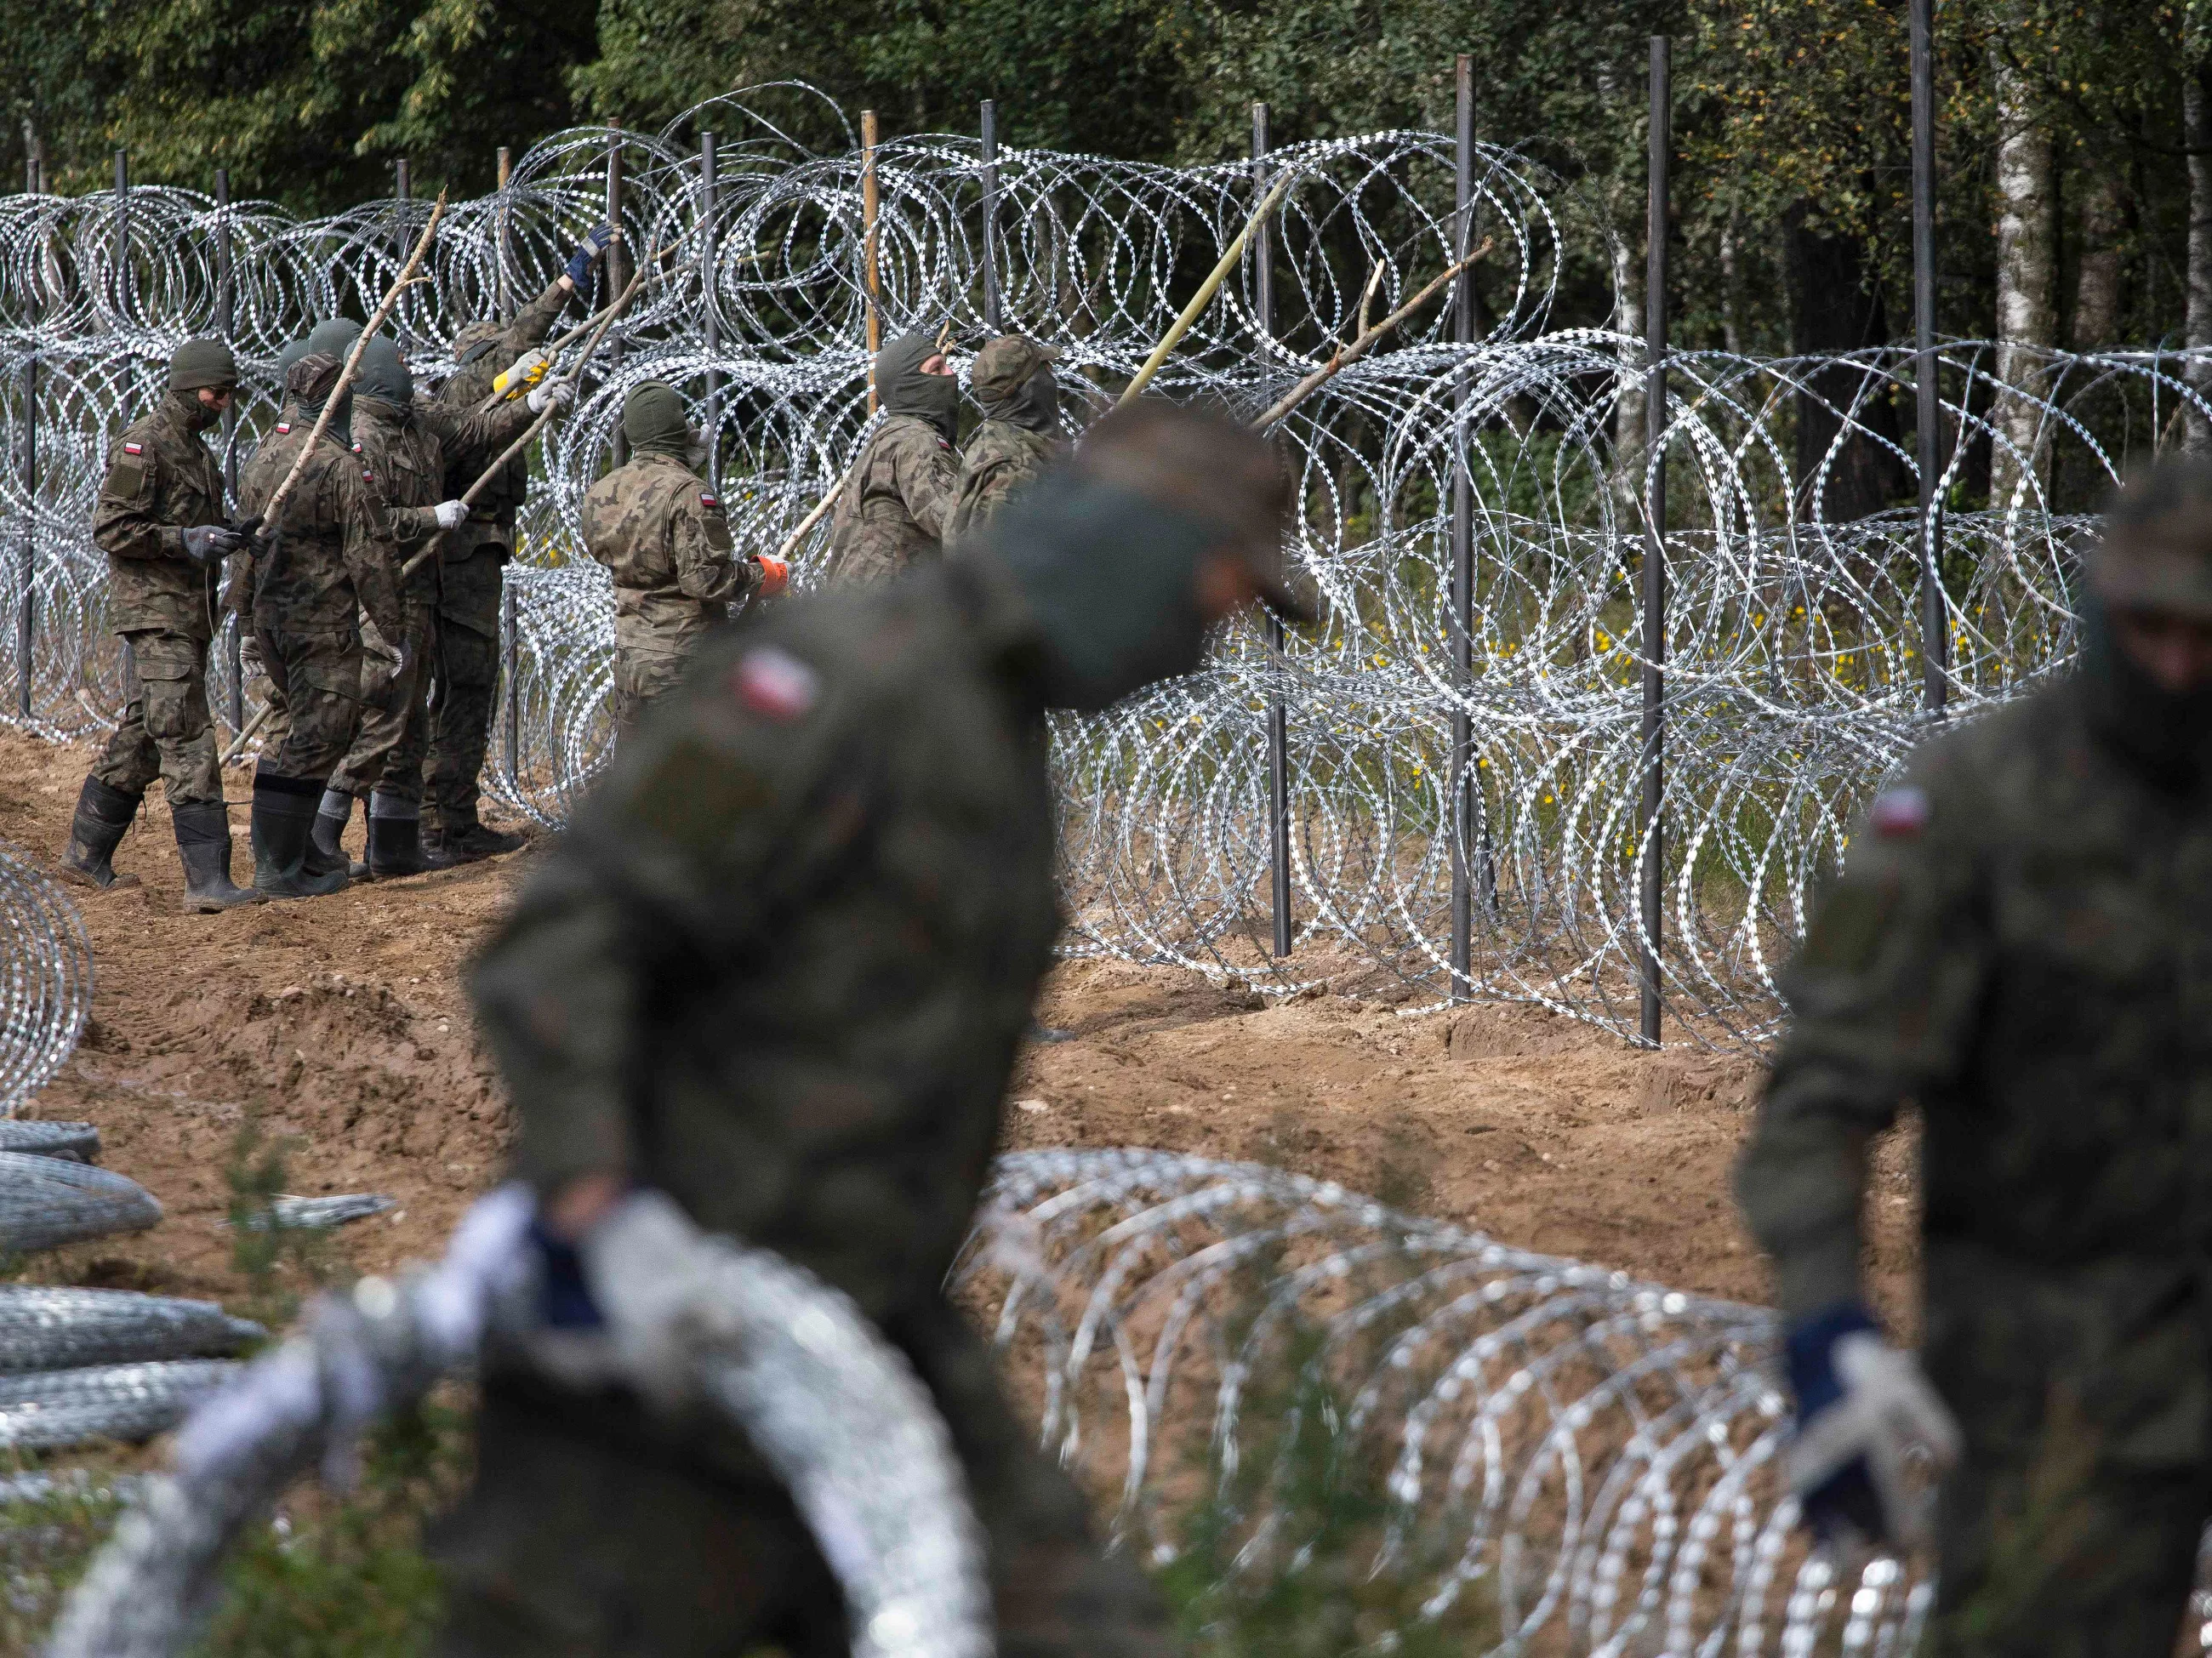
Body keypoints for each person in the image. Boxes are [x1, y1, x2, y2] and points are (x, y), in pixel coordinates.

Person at [439, 400, 1314, 1657]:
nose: (1196, 649)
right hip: (669, 1335)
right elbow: (563, 944)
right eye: (1208, 600)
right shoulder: (839, 683)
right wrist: (598, 1213)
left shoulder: (988, 731)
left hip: (863, 1326)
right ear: (1127, 552)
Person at [1738, 455, 2212, 1657]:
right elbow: (1821, 1095)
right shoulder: (1977, 805)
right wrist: (1826, 1324)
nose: (2179, 666)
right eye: (2151, 627)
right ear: (2097, 608)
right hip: (2066, 1402)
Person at [312, 338, 567, 880]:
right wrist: (432, 517)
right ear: (377, 375)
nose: (410, 371)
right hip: (382, 598)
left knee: (410, 727)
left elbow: (472, 429)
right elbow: (371, 524)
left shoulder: (418, 420)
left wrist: (527, 401)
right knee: (379, 721)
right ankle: (319, 839)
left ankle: (394, 844)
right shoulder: (358, 442)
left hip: (421, 597)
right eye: (399, 365)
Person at [420, 223, 618, 869]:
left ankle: (441, 817)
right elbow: (519, 341)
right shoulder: (464, 397)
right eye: (499, 362)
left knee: (464, 688)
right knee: (466, 687)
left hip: (476, 555)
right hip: (463, 561)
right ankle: (444, 823)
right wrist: (566, 283)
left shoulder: (479, 400)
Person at [60, 338, 259, 911]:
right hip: (155, 613)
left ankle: (84, 854)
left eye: (228, 394)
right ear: (188, 387)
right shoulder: (142, 445)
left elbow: (197, 525)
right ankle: (208, 882)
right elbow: (112, 528)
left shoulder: (193, 450)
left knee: (147, 734)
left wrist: (235, 534)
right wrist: (184, 541)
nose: (222, 403)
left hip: (186, 613)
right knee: (189, 734)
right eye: (215, 392)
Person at [231, 352, 404, 899]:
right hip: (322, 626)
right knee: (316, 739)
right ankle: (279, 870)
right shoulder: (336, 465)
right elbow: (368, 558)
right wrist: (392, 629)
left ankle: (297, 855)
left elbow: (245, 547)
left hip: (272, 622)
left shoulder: (264, 456)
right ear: (335, 399)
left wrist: (243, 622)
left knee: (294, 735)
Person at [581, 381, 787, 732]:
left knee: (639, 776)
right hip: (683, 661)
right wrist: (762, 575)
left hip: (630, 655)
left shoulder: (602, 492)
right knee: (692, 774)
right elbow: (704, 580)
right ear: (678, 426)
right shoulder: (690, 493)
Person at [822, 332, 960, 585]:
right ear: (910, 385)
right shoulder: (916, 441)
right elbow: (957, 524)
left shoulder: (887, 438)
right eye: (937, 369)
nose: (951, 374)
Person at [949, 334, 1067, 539]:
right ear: (1031, 388)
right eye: (1045, 368)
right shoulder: (1015, 470)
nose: (1052, 374)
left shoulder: (996, 443)